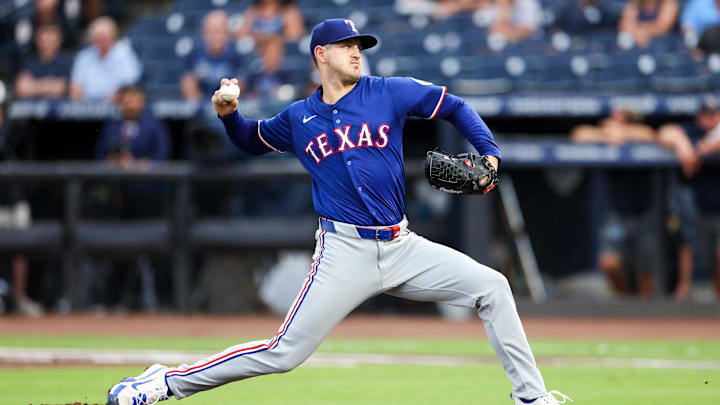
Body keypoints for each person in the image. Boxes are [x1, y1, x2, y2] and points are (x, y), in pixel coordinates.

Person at [106, 18, 570, 405]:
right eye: (346, 45)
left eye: (359, 46)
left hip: (402, 245)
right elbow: (251, 139)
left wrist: (488, 153)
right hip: (343, 251)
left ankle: (531, 397)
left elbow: (454, 105)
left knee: (493, 287)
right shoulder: (298, 118)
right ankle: (164, 382)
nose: (356, 52)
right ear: (320, 55)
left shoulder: (387, 92)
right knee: (282, 354)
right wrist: (229, 115)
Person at [571, 109, 661, 297]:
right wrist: (606, 133)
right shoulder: (606, 136)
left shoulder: (641, 133)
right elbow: (578, 134)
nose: (612, 124)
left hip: (645, 212)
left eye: (620, 120)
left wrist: (623, 133)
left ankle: (644, 313)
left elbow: (650, 134)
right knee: (609, 263)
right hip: (617, 213)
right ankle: (627, 298)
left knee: (645, 270)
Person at [658, 95, 720, 300]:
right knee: (696, 250)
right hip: (698, 205)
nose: (709, 118)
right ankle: (684, 291)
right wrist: (683, 144)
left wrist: (701, 150)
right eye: (705, 114)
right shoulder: (691, 131)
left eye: (713, 114)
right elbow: (664, 133)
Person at [235, 0, 304, 99]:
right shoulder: (253, 11)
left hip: (282, 64)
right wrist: (268, 38)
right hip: (257, 61)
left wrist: (266, 38)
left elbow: (295, 36)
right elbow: (240, 37)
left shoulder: (288, 10)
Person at [69, 16, 141, 102]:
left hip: (117, 106)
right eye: (98, 37)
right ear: (92, 38)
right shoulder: (83, 56)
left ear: (113, 37)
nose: (101, 41)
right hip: (87, 107)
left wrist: (113, 99)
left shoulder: (125, 55)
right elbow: (75, 88)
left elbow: (129, 87)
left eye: (104, 37)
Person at [14, 23, 71, 100]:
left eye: (51, 41)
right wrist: (49, 84)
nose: (47, 45)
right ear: (37, 41)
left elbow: (61, 88)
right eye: (44, 40)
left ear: (58, 41)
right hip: (31, 110)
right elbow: (21, 89)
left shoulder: (66, 62)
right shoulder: (30, 62)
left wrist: (34, 85)